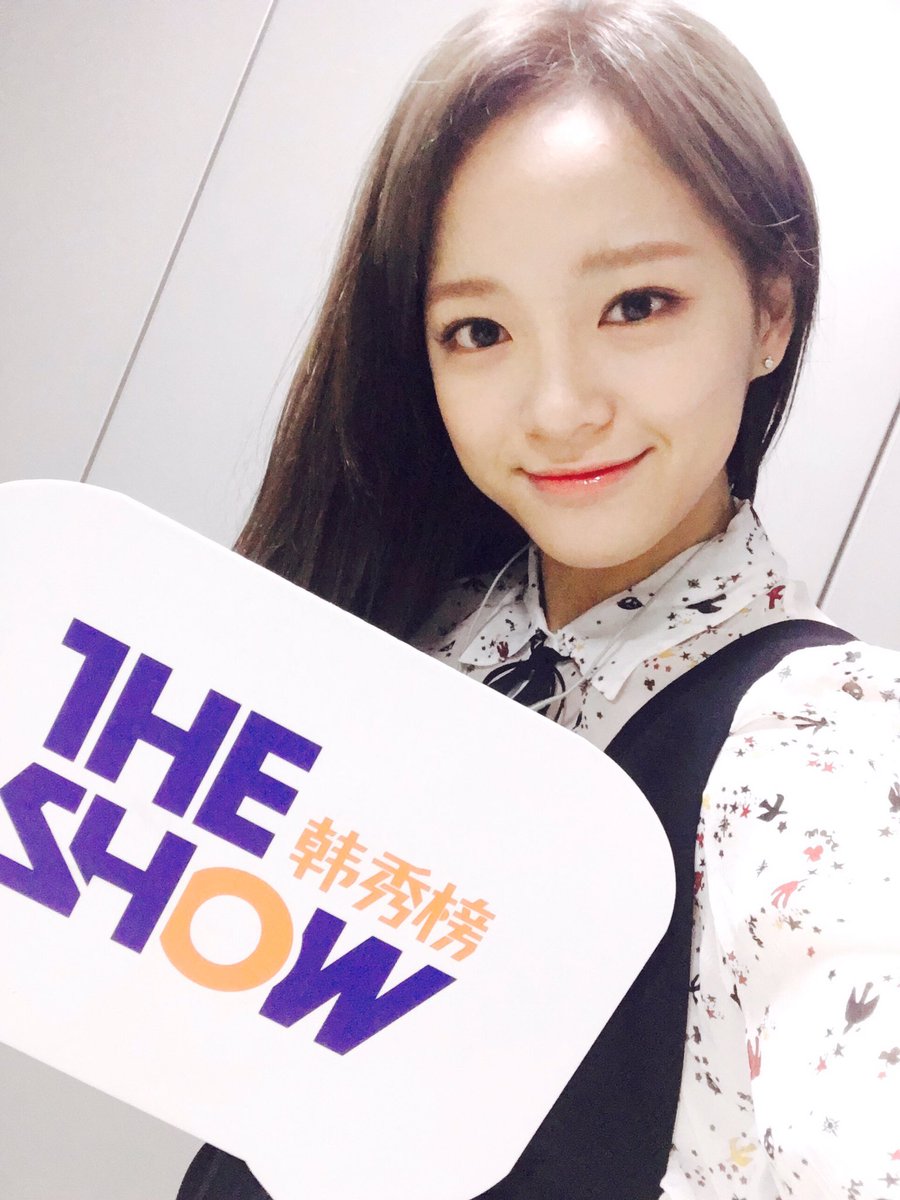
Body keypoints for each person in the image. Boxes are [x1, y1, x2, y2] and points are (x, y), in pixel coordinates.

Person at [178, 1, 900, 1196]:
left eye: (636, 304)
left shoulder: (822, 744)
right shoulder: (389, 635)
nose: (558, 407)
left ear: (770, 308)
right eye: (480, 329)